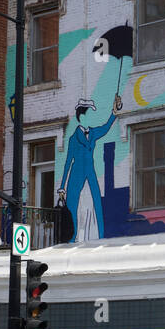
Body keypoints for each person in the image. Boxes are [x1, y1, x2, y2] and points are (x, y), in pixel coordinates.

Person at [57, 95, 123, 242]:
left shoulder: (92, 133)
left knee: (95, 203)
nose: (91, 118)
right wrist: (62, 188)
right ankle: (72, 238)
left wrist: (114, 111)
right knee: (73, 205)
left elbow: (105, 128)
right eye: (88, 115)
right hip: (76, 174)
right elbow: (68, 161)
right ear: (81, 117)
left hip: (90, 172)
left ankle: (97, 236)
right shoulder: (73, 138)